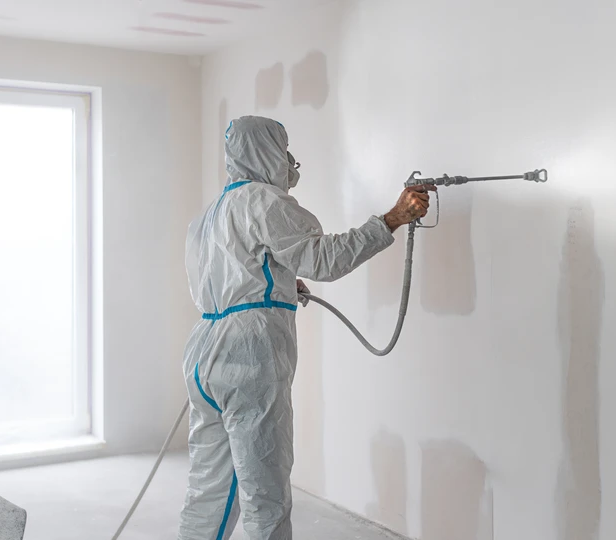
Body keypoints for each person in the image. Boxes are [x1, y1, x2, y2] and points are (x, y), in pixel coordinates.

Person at [179, 116, 433, 540]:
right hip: (248, 354)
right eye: (283, 149)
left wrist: (277, 281)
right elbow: (325, 260)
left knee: (210, 487)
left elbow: (231, 276)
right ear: (266, 152)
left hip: (204, 352)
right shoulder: (264, 202)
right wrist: (391, 218)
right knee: (265, 489)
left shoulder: (209, 215)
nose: (290, 161)